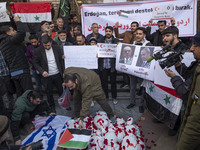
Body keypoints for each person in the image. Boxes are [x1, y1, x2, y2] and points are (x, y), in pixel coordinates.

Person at [175, 32, 200, 150]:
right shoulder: (197, 65)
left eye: (195, 45)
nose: (191, 49)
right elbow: (188, 76)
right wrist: (178, 65)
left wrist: (174, 78)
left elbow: (185, 93)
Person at [0, 16, 33, 97]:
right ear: (8, 33)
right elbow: (21, 33)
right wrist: (18, 21)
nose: (15, 31)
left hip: (14, 73)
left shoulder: (3, 43)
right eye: (13, 30)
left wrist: (11, 18)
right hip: (22, 71)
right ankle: (30, 108)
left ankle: (21, 109)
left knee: (20, 94)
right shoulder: (11, 40)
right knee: (28, 93)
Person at [33, 35, 64, 113]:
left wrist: (63, 70)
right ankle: (52, 106)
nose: (47, 47)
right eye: (45, 45)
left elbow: (60, 60)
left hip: (57, 73)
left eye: (48, 45)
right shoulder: (38, 50)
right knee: (49, 92)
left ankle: (63, 104)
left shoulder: (56, 48)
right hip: (46, 76)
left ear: (51, 42)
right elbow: (35, 63)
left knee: (61, 90)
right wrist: (42, 71)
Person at [127, 27, 152, 110]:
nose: (138, 35)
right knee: (132, 87)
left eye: (140, 34)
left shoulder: (148, 44)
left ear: (144, 35)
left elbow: (151, 58)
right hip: (132, 70)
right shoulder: (133, 43)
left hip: (142, 70)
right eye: (137, 33)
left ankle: (141, 104)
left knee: (142, 87)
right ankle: (132, 102)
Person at [99, 26, 120, 104]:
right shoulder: (100, 40)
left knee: (113, 83)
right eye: (106, 31)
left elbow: (120, 52)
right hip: (103, 66)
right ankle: (106, 97)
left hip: (112, 66)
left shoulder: (116, 41)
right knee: (104, 83)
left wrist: (119, 46)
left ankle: (114, 97)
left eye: (109, 31)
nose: (108, 32)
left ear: (112, 32)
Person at [115, 21, 139, 88]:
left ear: (137, 27)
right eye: (131, 26)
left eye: (134, 26)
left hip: (134, 54)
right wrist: (116, 28)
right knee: (124, 69)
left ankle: (133, 83)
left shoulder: (139, 34)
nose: (132, 27)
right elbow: (117, 36)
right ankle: (125, 83)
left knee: (132, 69)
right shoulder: (127, 33)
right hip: (125, 53)